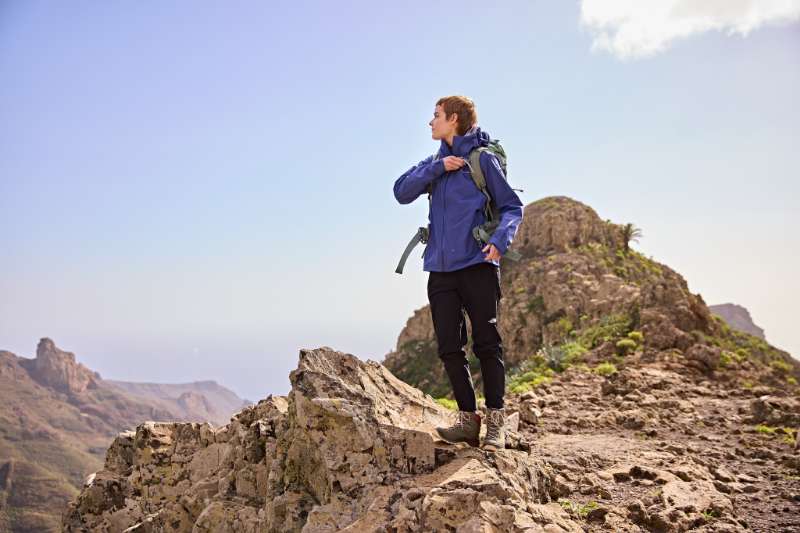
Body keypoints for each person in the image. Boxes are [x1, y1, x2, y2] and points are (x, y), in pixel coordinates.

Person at [393, 95, 523, 451]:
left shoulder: (483, 159)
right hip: (440, 269)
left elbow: (512, 207)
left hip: (478, 264)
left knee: (487, 344)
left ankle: (496, 423)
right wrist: (438, 168)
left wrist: (500, 240)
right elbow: (400, 192)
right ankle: (468, 421)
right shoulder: (435, 163)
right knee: (449, 347)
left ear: (453, 119)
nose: (430, 121)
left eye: (436, 115)